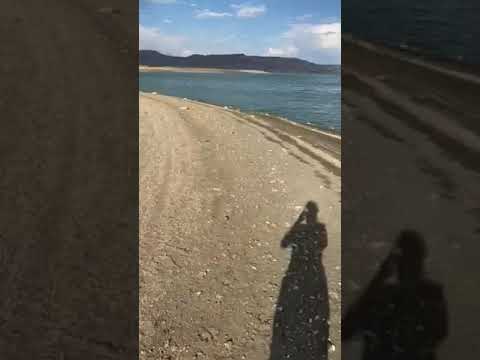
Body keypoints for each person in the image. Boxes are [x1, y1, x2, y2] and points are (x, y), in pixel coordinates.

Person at [342, 230, 448, 360]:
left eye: (411, 261)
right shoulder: (383, 296)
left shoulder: (430, 296)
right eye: (407, 261)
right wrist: (378, 281)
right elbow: (346, 330)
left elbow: (434, 335)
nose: (409, 267)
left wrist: (379, 280)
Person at [270, 201, 329, 360]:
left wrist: (298, 223)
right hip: (314, 268)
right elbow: (323, 244)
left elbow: (284, 243)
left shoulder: (313, 228)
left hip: (297, 268)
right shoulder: (320, 228)